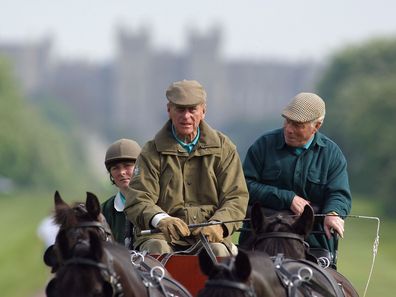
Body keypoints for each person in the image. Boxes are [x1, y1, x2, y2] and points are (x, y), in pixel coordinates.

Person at [124, 79, 248, 256]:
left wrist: (219, 224)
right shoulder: (151, 151)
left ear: (203, 111)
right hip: (161, 236)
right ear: (169, 110)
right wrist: (161, 220)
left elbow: (236, 197)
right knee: (156, 250)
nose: (186, 116)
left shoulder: (224, 149)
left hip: (209, 237)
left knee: (218, 253)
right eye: (180, 109)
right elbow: (138, 198)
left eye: (192, 110)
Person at [239, 92, 352, 267]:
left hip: (314, 241)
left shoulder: (332, 155)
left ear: (317, 126)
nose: (289, 129)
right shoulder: (263, 145)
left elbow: (339, 194)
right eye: (287, 121)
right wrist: (287, 198)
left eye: (297, 125)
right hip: (261, 238)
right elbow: (245, 186)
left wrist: (333, 213)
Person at [102, 138, 141, 247]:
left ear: (141, 168)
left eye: (127, 166)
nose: (122, 172)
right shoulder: (104, 211)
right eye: (115, 168)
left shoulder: (160, 202)